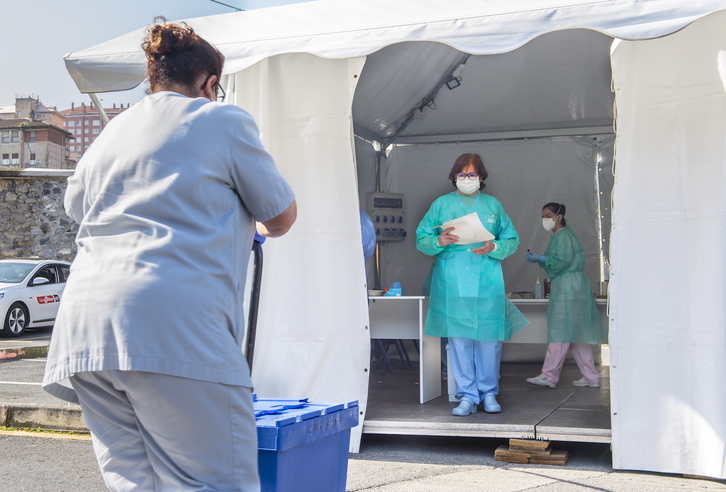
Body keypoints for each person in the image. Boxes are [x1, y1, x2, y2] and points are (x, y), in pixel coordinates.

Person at [42, 21, 296, 492]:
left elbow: (79, 209)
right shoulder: (223, 120)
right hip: (173, 328)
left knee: (138, 485)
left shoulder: (111, 134)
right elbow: (280, 215)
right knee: (218, 482)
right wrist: (247, 223)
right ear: (209, 84)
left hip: (86, 333)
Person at [416, 153, 527, 416]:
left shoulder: (493, 206)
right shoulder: (441, 205)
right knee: (459, 339)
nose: (467, 179)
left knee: (489, 339)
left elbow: (511, 239)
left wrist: (494, 246)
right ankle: (466, 395)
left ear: (481, 178)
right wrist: (439, 241)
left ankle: (488, 393)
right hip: (452, 282)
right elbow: (422, 238)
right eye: (462, 174)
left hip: (486, 281)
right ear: (454, 176)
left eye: (472, 175)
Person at [524, 202, 602, 389]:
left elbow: (561, 263)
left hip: (568, 288)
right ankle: (592, 377)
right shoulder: (562, 236)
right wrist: (544, 260)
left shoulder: (563, 236)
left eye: (547, 215)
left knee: (561, 330)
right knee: (577, 334)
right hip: (575, 287)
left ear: (558, 217)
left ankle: (549, 376)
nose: (544, 219)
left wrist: (542, 259)